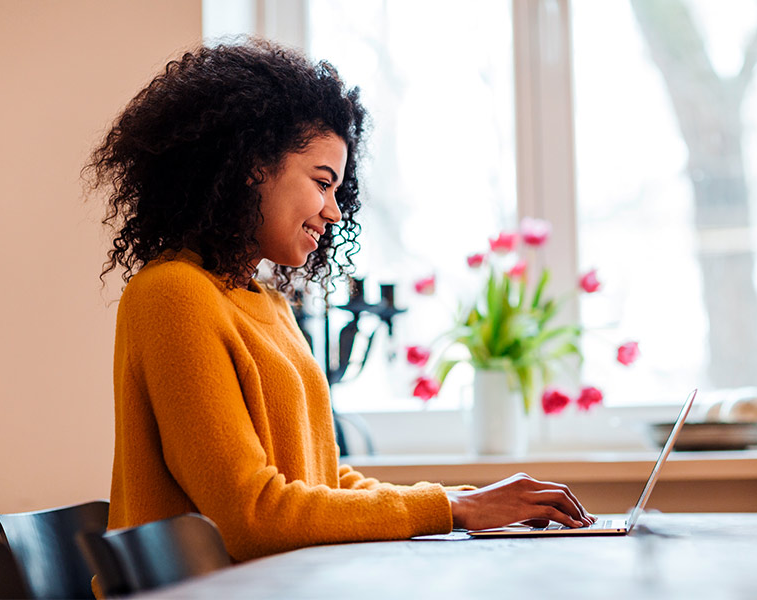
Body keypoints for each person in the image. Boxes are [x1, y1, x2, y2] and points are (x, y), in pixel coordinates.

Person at [85, 37, 594, 563]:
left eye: (337, 192)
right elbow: (251, 517)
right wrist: (454, 510)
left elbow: (319, 477)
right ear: (250, 166)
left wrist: (461, 502)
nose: (333, 213)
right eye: (322, 183)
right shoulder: (173, 293)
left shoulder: (268, 304)